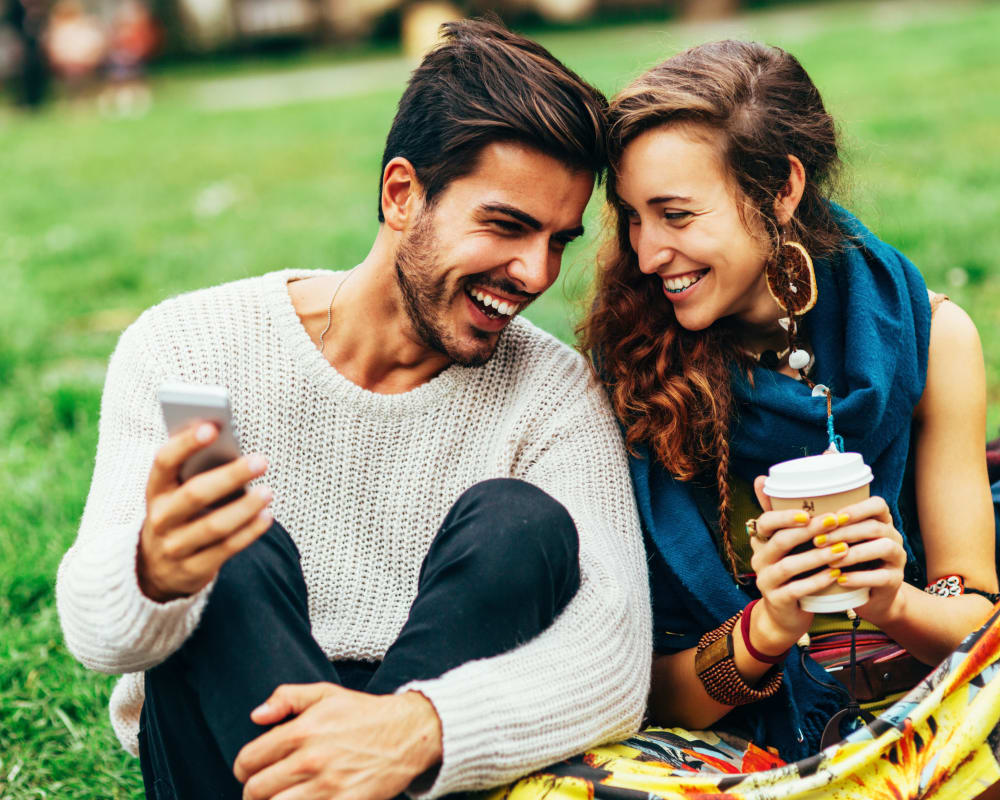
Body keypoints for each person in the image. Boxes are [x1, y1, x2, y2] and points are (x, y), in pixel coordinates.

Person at [55, 20, 651, 800]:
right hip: (223, 759)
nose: (535, 271)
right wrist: (154, 570)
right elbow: (96, 637)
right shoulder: (187, 344)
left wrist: (416, 725)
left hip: (425, 763)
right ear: (402, 194)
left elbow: (615, 657)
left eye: (558, 240)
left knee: (523, 522)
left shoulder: (552, 394)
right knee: (230, 540)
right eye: (506, 225)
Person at [498, 39, 1000, 798]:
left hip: (922, 707)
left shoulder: (931, 340)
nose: (647, 253)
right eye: (632, 218)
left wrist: (893, 602)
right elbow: (642, 692)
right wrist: (767, 629)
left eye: (675, 215)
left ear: (781, 189)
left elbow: (978, 620)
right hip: (741, 745)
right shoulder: (626, 376)